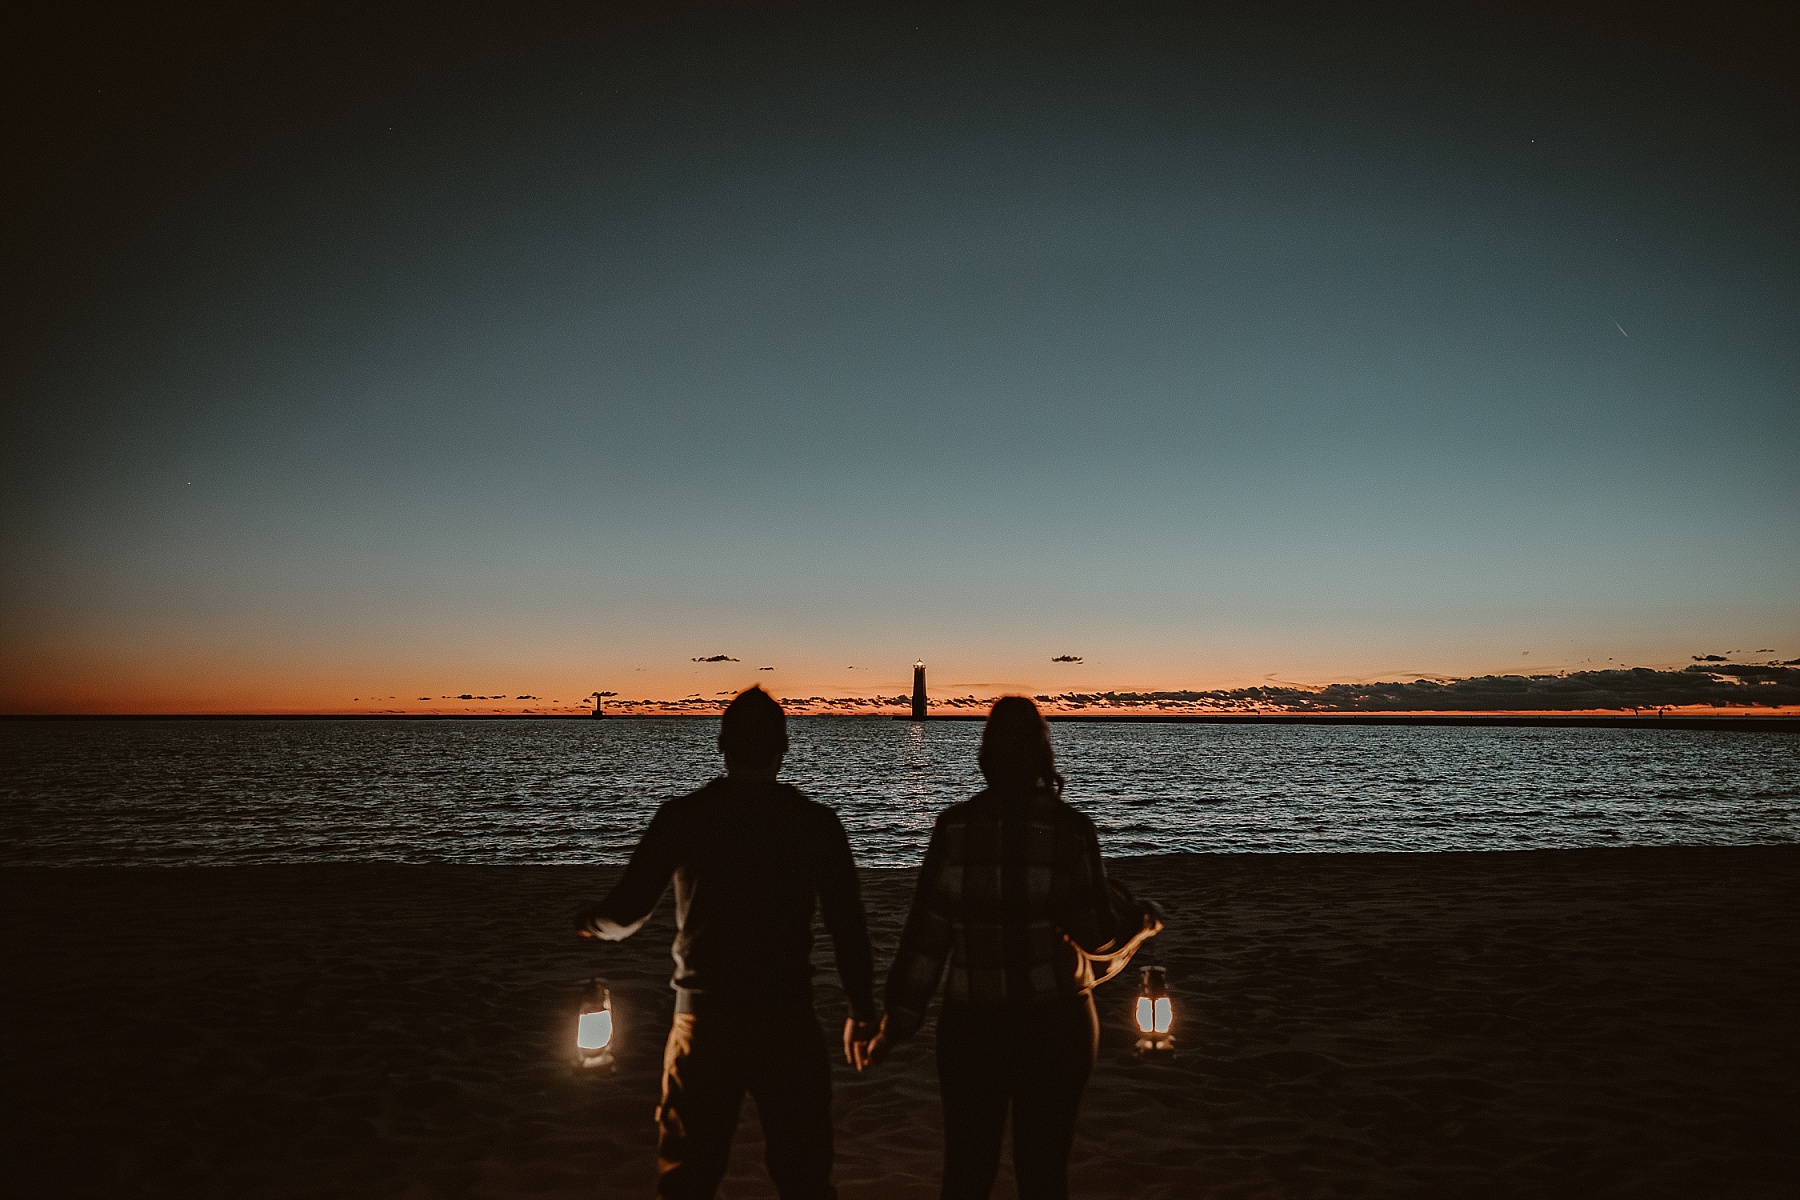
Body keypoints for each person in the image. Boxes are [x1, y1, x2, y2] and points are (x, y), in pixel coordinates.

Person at [573, 687, 877, 1200]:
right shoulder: (814, 823)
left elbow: (626, 914)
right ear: (783, 749)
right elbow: (847, 924)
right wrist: (863, 1006)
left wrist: (590, 923)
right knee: (804, 1175)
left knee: (688, 1175)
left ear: (723, 747)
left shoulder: (684, 816)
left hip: (705, 1019)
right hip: (786, 1017)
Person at [857, 696, 1160, 1200]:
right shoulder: (1069, 830)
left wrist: (896, 1023)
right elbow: (1097, 939)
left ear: (986, 756)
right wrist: (1140, 923)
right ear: (1043, 756)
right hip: (1055, 1025)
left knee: (967, 1172)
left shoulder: (954, 828)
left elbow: (927, 939)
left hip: (973, 1027)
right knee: (1044, 1172)